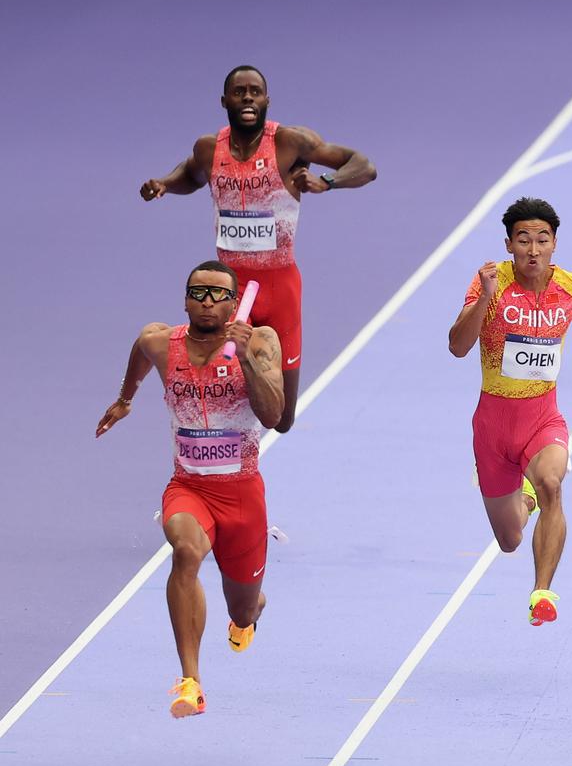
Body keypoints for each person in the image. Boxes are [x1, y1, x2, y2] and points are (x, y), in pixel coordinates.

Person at [139, 64, 376, 433]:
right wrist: (165, 184)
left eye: (255, 91)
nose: (247, 97)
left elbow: (363, 166)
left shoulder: (290, 142)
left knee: (282, 420)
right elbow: (191, 174)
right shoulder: (208, 148)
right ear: (224, 101)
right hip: (227, 291)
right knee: (224, 386)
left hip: (280, 289)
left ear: (266, 100)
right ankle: (225, 465)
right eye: (239, 92)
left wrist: (327, 181)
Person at [95, 261, 285, 718]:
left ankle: (248, 614)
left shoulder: (259, 342)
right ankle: (190, 681)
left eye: (217, 294)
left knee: (241, 607)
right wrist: (125, 399)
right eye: (197, 293)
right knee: (185, 551)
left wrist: (243, 360)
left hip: (242, 496)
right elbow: (140, 351)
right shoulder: (163, 342)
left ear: (234, 304)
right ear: (184, 300)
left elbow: (274, 414)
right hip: (188, 488)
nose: (206, 301)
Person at [448, 198, 572, 626]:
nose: (533, 249)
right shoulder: (491, 282)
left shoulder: (570, 285)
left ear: (554, 244)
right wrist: (484, 299)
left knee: (551, 483)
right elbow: (457, 346)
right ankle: (524, 499)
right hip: (492, 426)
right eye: (523, 240)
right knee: (509, 539)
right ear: (509, 244)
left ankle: (542, 592)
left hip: (544, 418)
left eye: (542, 240)